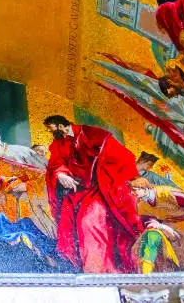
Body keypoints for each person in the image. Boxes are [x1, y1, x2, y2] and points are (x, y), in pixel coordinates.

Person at [44, 115, 142, 273]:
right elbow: (56, 163)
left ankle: (98, 270)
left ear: (61, 125)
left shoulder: (92, 134)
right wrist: (61, 174)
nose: (50, 132)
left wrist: (104, 176)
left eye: (51, 128)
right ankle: (76, 266)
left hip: (101, 190)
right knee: (66, 223)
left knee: (89, 221)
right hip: (77, 192)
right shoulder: (58, 143)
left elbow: (120, 156)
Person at [129, 177, 184, 273]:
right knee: (152, 236)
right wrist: (161, 226)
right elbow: (147, 219)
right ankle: (145, 275)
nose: (132, 193)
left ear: (144, 188)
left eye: (135, 190)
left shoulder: (165, 193)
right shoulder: (141, 203)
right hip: (172, 226)